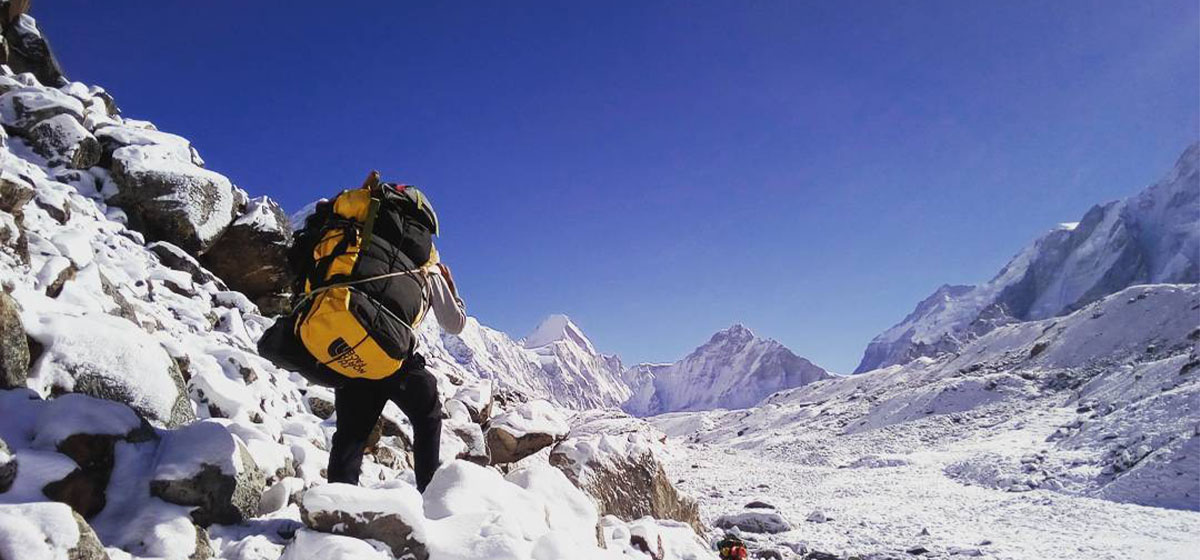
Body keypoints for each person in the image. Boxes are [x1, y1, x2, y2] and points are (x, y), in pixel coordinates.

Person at [262, 172, 466, 492]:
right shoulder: (428, 263)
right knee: (427, 416)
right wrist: (452, 291)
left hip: (346, 341)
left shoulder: (352, 233)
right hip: (394, 359)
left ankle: (337, 506)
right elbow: (454, 324)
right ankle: (430, 497)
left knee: (351, 436)